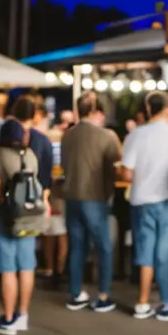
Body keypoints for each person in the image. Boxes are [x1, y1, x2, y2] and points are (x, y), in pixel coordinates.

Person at [121, 91, 168, 321]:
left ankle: (142, 302)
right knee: (164, 254)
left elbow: (126, 173)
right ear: (167, 108)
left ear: (148, 108)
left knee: (145, 253)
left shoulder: (136, 135)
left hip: (140, 200)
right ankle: (166, 304)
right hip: (167, 199)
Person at [62, 92, 120, 313]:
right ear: (96, 112)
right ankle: (103, 295)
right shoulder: (107, 137)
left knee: (77, 247)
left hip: (71, 197)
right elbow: (115, 168)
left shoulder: (68, 135)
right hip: (95, 197)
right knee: (103, 247)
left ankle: (76, 293)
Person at [0, 118, 45, 335]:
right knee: (27, 266)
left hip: (7, 214)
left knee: (8, 269)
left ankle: (9, 317)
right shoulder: (30, 155)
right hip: (29, 215)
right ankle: (23, 314)